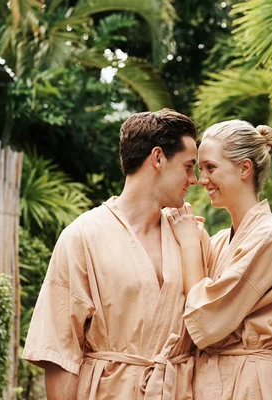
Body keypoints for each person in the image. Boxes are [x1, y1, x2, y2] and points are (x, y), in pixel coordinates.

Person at [22, 109, 202, 399]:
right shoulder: (82, 236)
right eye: (188, 166)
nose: (194, 179)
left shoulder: (191, 236)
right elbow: (60, 350)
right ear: (157, 158)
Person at [167, 120, 272, 400]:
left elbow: (206, 320)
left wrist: (188, 245)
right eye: (199, 169)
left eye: (211, 167)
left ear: (245, 168)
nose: (202, 179)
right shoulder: (219, 241)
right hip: (213, 379)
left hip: (251, 384)